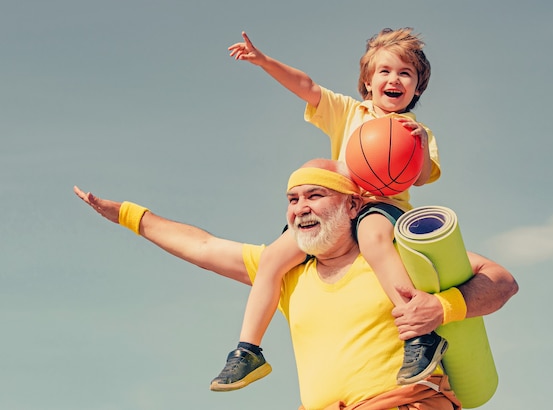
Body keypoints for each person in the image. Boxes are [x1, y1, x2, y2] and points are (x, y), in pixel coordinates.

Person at [73, 158, 518, 410]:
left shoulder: (397, 254)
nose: (300, 208)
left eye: (315, 195)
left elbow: (501, 279)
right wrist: (128, 215)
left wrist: (443, 308)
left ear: (352, 206)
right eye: (292, 199)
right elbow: (203, 246)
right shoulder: (286, 274)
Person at [215, 27, 443, 390]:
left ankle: (418, 336)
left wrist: (418, 148)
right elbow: (306, 86)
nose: (394, 79)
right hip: (338, 207)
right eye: (384, 71)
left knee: (373, 240)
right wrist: (263, 61)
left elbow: (423, 176)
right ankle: (248, 350)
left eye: (405, 73)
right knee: (274, 258)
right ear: (367, 82)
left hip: (381, 207)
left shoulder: (416, 130)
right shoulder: (349, 112)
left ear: (417, 88)